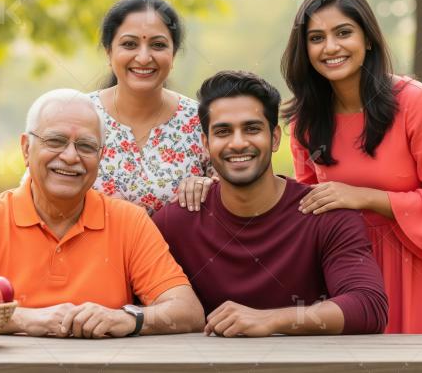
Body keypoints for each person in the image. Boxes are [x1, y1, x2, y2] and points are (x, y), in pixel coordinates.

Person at [282, 0, 422, 348]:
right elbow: (311, 206)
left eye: (343, 32)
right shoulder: (305, 123)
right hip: (349, 277)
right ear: (305, 49)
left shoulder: (417, 104)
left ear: (368, 39)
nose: (330, 47)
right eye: (316, 37)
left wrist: (365, 197)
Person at [0, 89, 204, 338]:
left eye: (86, 146)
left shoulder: (129, 221)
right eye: (56, 141)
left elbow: (188, 311)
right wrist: (26, 319)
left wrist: (129, 318)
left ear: (101, 156)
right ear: (27, 148)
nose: (71, 156)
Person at [153, 71, 388, 337]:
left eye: (252, 129)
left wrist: (272, 320)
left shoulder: (326, 214)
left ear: (275, 138)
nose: (238, 143)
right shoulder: (177, 222)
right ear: (206, 144)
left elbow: (369, 306)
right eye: (223, 132)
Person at [0, 0, 214, 228]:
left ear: (174, 54)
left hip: (176, 278)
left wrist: (211, 188)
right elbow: (31, 195)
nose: (143, 57)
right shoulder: (77, 114)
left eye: (158, 45)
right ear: (109, 52)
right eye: (130, 44)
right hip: (86, 275)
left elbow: (237, 203)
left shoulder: (202, 121)